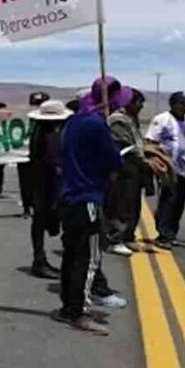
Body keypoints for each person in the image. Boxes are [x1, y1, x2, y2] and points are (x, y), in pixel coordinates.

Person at [52, 78, 122, 335]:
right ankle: (77, 311)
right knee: (87, 258)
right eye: (115, 99)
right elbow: (113, 160)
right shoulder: (96, 124)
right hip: (87, 197)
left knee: (71, 255)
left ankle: (67, 306)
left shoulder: (74, 120)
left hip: (69, 197)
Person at [146, 92, 185, 249]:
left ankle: (172, 234)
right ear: (174, 105)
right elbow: (150, 142)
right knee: (168, 200)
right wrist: (157, 162)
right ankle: (163, 235)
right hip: (167, 167)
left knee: (179, 202)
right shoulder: (162, 120)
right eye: (183, 104)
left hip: (184, 167)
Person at [26, 99, 70, 279]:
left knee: (40, 221)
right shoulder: (50, 134)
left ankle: (39, 259)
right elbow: (55, 163)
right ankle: (40, 261)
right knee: (45, 219)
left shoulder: (40, 130)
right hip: (48, 184)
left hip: (40, 182)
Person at [105, 88, 151, 255]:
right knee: (121, 204)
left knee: (133, 204)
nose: (141, 106)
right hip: (123, 166)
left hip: (134, 168)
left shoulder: (131, 118)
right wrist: (146, 161)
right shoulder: (118, 120)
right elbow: (126, 145)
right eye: (139, 102)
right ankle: (114, 238)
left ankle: (127, 236)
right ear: (130, 101)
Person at [18, 91, 50, 217]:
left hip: (42, 157)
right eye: (35, 104)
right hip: (24, 155)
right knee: (25, 183)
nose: (37, 107)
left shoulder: (49, 122)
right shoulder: (23, 119)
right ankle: (27, 206)